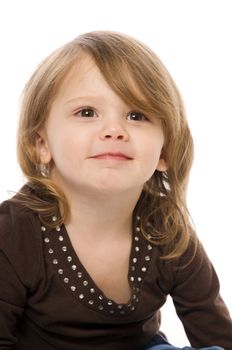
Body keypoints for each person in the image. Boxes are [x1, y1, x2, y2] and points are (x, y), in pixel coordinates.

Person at [0, 31, 231, 350]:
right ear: (42, 145)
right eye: (87, 112)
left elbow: (215, 332)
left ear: (164, 152)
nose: (114, 131)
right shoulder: (14, 232)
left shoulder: (167, 231)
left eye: (137, 115)